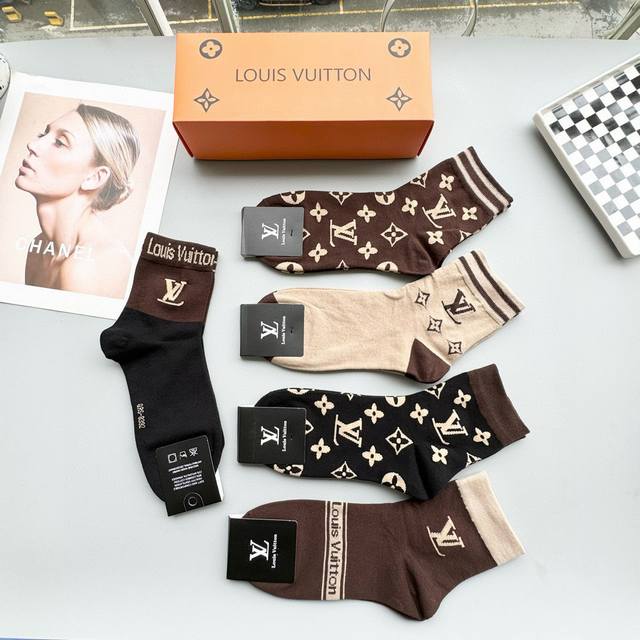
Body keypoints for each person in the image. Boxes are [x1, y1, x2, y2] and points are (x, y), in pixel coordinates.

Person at [15, 103, 141, 298]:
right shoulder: (38, 248)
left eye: (60, 143)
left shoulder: (85, 268)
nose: (32, 145)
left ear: (94, 178)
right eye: (43, 134)